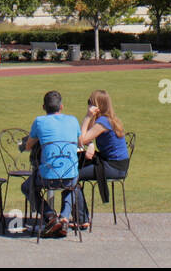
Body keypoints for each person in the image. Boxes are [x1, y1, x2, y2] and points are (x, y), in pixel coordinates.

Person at [20, 90, 81, 237]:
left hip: (47, 177)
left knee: (27, 187)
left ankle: (50, 216)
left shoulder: (40, 121)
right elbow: (80, 142)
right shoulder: (73, 120)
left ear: (43, 107)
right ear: (61, 106)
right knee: (73, 185)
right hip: (70, 174)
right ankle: (64, 217)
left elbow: (28, 146)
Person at [71, 89, 131, 228]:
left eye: (90, 103)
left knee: (71, 176)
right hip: (116, 163)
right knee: (76, 165)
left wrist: (87, 117)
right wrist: (91, 144)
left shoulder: (103, 122)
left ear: (96, 105)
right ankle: (78, 215)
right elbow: (87, 139)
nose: (88, 106)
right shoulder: (108, 119)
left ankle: (81, 218)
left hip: (113, 167)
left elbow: (82, 139)